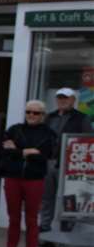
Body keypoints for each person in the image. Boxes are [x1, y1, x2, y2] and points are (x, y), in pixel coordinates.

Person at [0, 100, 57, 247]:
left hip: (34, 179)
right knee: (13, 218)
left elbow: (46, 154)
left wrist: (18, 150)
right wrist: (26, 152)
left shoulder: (48, 134)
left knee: (31, 219)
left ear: (42, 116)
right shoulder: (15, 130)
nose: (31, 115)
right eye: (28, 112)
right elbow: (5, 151)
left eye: (36, 113)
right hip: (13, 177)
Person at [41, 87, 91, 232]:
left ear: (73, 100)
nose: (62, 101)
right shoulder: (49, 117)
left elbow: (87, 141)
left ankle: (67, 227)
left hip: (70, 164)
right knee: (47, 196)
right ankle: (44, 226)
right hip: (50, 161)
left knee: (69, 196)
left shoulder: (82, 118)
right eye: (60, 98)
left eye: (66, 98)